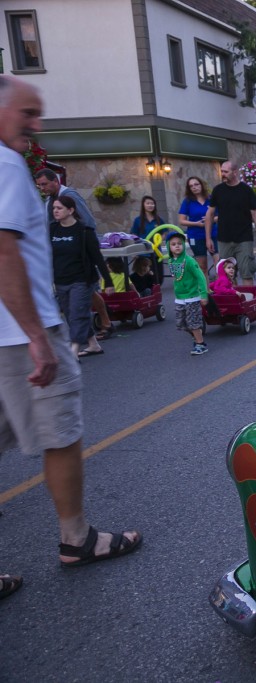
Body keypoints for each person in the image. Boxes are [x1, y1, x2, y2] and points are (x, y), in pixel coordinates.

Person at [0, 75, 141, 600]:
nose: (36, 126)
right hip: (21, 330)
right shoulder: (8, 166)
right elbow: (5, 252)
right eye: (27, 114)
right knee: (61, 433)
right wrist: (37, 335)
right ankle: (76, 539)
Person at [34, 167, 115, 340]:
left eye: (45, 184)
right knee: (81, 292)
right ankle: (90, 331)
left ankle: (104, 323)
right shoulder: (49, 201)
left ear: (56, 181)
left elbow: (88, 222)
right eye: (39, 185)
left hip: (79, 252)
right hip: (62, 253)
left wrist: (87, 249)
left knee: (88, 289)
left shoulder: (70, 196)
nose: (42, 188)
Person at [50, 195, 113, 358]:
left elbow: (97, 258)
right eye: (54, 208)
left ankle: (74, 350)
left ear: (70, 210)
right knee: (71, 315)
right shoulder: (52, 230)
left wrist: (109, 281)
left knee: (78, 313)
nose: (55, 211)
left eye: (59, 208)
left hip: (81, 280)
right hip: (60, 280)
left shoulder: (84, 231)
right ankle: (93, 344)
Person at [205, 161, 256, 286]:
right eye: (222, 171)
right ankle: (234, 301)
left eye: (226, 172)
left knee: (246, 272)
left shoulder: (246, 190)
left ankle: (248, 302)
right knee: (226, 274)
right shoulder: (218, 190)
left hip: (244, 238)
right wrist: (208, 238)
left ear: (235, 172)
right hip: (224, 239)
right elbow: (210, 214)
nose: (223, 174)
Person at [166, 232, 208, 355]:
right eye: (173, 244)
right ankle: (197, 337)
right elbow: (177, 277)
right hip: (180, 297)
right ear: (169, 246)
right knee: (181, 324)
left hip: (192, 296)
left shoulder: (189, 261)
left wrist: (204, 294)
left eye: (180, 243)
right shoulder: (171, 261)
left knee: (193, 323)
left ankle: (200, 344)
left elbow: (200, 277)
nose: (177, 246)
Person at [179, 177, 216, 275]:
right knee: (202, 266)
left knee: (219, 263)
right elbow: (182, 221)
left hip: (213, 234)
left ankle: (221, 287)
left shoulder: (211, 198)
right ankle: (205, 289)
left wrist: (210, 219)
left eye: (196, 184)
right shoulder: (187, 201)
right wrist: (197, 224)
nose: (194, 187)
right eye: (191, 186)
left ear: (201, 185)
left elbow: (220, 216)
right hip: (196, 235)